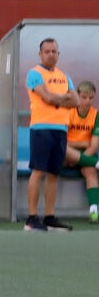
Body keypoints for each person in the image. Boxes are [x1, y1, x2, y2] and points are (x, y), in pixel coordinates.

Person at [24, 38, 79, 232]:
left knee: (54, 174)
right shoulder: (34, 74)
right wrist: (63, 98)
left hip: (60, 129)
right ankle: (31, 218)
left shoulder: (64, 76)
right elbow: (46, 97)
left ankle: (49, 217)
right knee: (38, 171)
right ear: (40, 54)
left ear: (58, 54)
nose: (51, 54)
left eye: (54, 51)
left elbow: (76, 101)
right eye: (46, 51)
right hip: (41, 128)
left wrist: (58, 100)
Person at [63, 81, 99, 223]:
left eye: (91, 98)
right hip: (66, 153)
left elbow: (94, 146)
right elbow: (61, 142)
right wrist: (80, 144)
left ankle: (94, 211)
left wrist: (78, 159)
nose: (87, 101)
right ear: (77, 96)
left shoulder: (96, 115)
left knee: (90, 172)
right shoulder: (68, 112)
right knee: (61, 150)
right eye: (84, 97)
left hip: (86, 154)